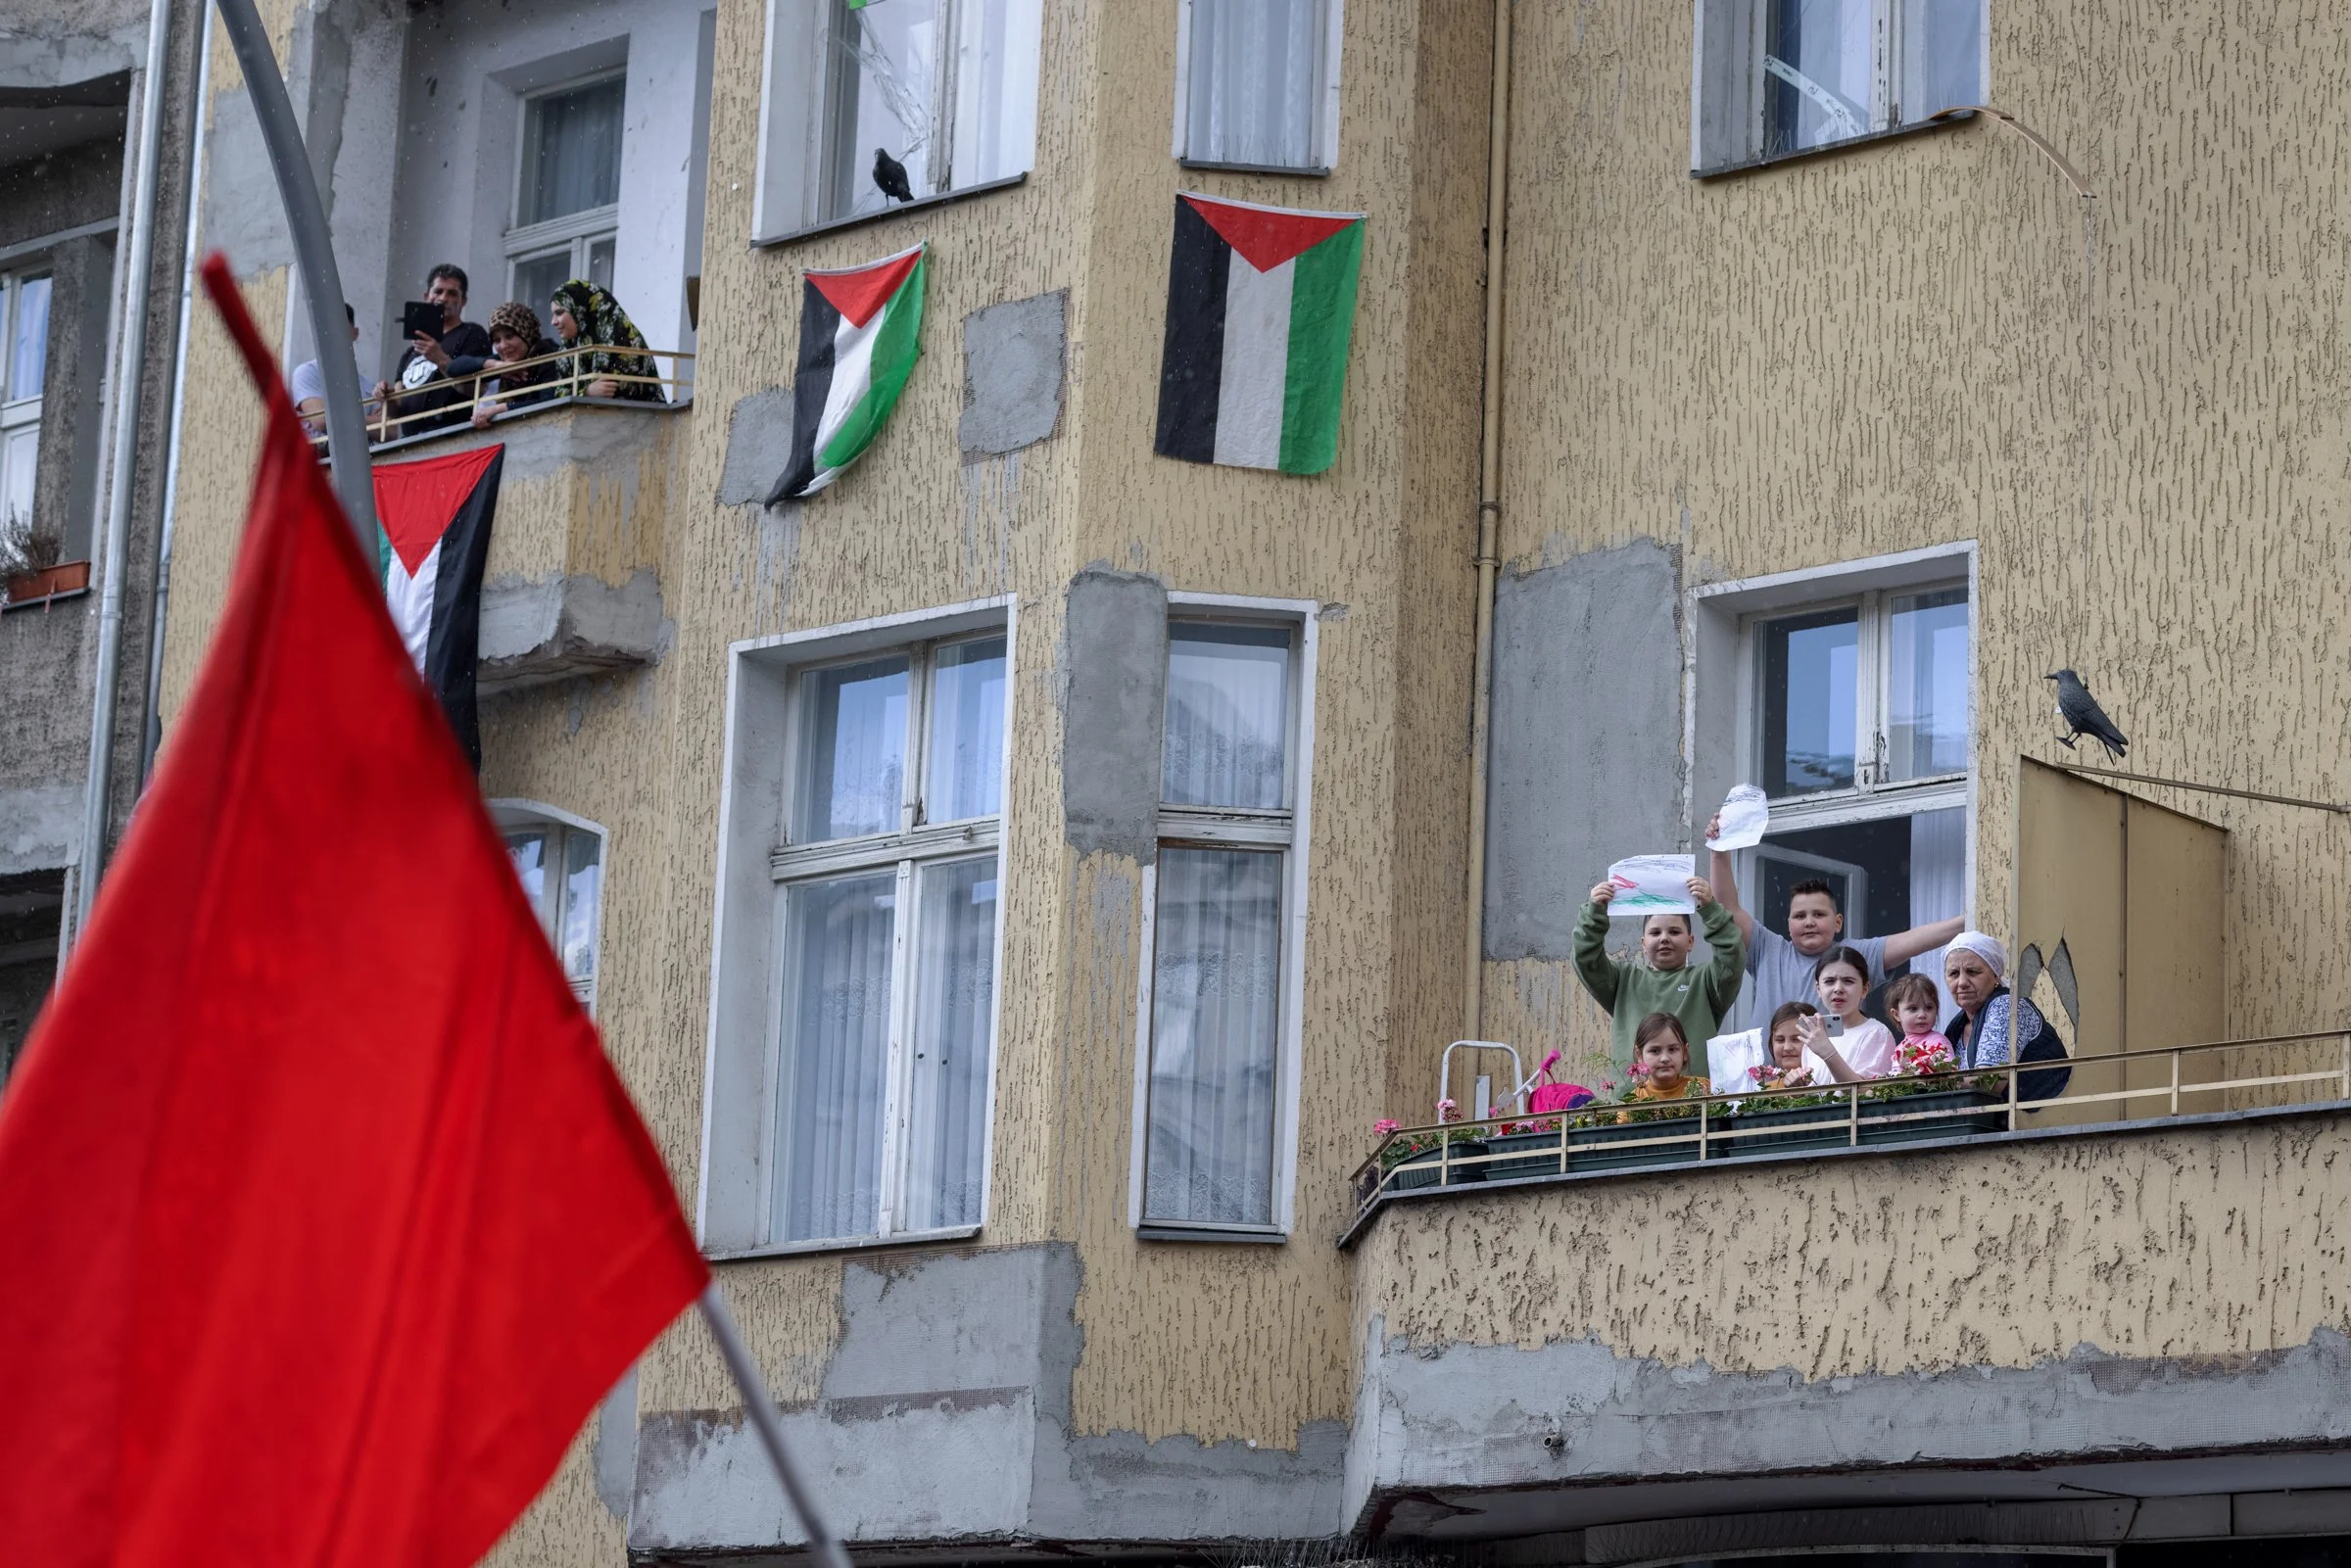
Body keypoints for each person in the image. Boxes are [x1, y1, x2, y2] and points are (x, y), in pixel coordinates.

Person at [1706, 815, 1967, 1026]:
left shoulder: (1852, 956)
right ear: (1788, 924)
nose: (1809, 922)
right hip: (1768, 1085)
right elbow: (1726, 908)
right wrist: (1719, 850)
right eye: (1800, 916)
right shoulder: (1768, 949)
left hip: (1829, 1085)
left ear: (1838, 922)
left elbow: (1912, 940)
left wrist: (1966, 922)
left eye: (1819, 914)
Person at [1575, 875, 1745, 1077]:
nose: (1664, 938)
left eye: (1674, 932)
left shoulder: (1706, 980)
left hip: (1694, 1102)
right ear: (1643, 943)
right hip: (1634, 1102)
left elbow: (1732, 956)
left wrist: (1711, 910)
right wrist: (1594, 914)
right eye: (1655, 933)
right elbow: (1586, 960)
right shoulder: (1623, 980)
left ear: (1690, 942)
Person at [1943, 930, 2072, 1101]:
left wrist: (1931, 1082)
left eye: (1972, 972)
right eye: (1953, 974)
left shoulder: (2006, 1005)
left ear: (1995, 975)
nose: (1961, 982)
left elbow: (1989, 1082)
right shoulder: (1957, 1027)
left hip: (2045, 1120)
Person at [373, 263, 492, 437]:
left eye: (452, 293)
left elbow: (478, 389)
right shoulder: (410, 351)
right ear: (427, 297)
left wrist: (441, 360)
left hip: (453, 435)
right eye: (438, 291)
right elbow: (397, 410)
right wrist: (385, 395)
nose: (443, 298)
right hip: (410, 442)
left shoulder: (473, 334)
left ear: (463, 301)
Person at [549, 279, 668, 404]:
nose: (553, 322)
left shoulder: (623, 335)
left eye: (559, 313)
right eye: (553, 315)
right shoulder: (569, 347)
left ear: (580, 310)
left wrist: (584, 394)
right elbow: (559, 396)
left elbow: (616, 393)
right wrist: (587, 392)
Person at [459, 302, 563, 429]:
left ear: (525, 332)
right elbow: (454, 367)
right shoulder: (506, 360)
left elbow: (549, 402)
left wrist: (499, 408)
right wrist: (496, 365)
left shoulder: (547, 355)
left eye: (509, 336)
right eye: (496, 340)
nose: (503, 346)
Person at [1800, 944, 1897, 1077]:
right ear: (1818, 988)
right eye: (1829, 981)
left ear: (1865, 989)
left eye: (1848, 981)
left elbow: (1867, 1092)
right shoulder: (1813, 1037)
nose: (1838, 989)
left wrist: (1828, 1053)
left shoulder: (1876, 1033)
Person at [290, 302, 375, 439]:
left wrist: (338, 417)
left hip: (358, 459)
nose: (336, 335)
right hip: (319, 459)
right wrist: (368, 422)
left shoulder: (369, 387)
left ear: (355, 333)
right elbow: (321, 421)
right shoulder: (307, 373)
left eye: (342, 327)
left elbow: (390, 431)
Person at [1617, 1013, 1709, 1120]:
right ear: (1639, 1055)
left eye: (1672, 1049)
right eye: (1655, 1051)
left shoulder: (1705, 1088)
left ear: (1684, 1052)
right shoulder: (1631, 1105)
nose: (1665, 1058)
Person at [1886, 972, 1954, 1071]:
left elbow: (1949, 1072)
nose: (1922, 1014)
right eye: (1913, 1009)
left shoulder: (1938, 1042)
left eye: (1929, 1007)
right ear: (1897, 1014)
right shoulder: (1900, 1048)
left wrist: (1913, 1067)